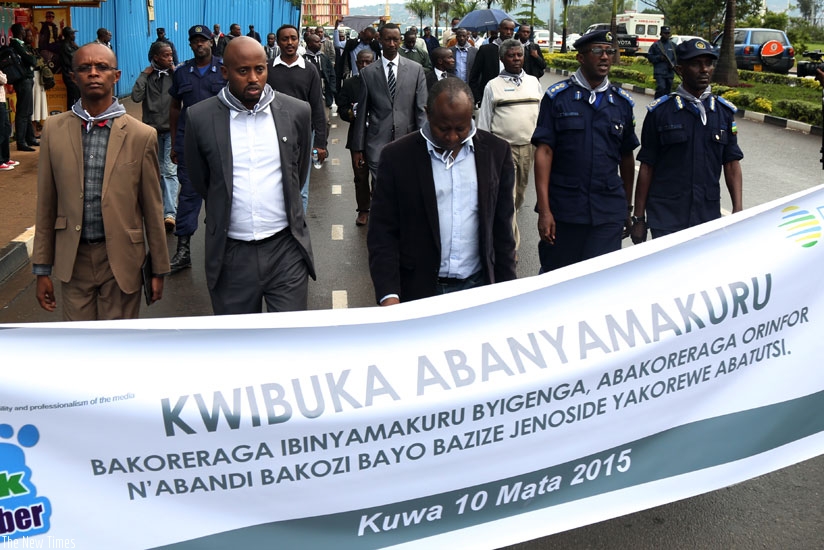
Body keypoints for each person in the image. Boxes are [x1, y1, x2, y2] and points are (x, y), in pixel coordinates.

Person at [32, 43, 170, 321]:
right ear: (74, 77)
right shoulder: (54, 131)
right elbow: (46, 203)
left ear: (116, 76)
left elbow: (153, 209)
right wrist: (41, 269)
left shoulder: (141, 136)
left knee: (118, 346)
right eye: (85, 68)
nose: (93, 73)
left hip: (121, 260)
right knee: (79, 346)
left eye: (102, 68)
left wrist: (158, 269)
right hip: (74, 260)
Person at [184, 37, 315, 315]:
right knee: (238, 346)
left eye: (260, 69)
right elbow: (201, 180)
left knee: (290, 342)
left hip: (286, 250)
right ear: (224, 72)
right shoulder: (200, 117)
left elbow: (298, 171)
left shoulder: (296, 111)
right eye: (243, 71)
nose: (253, 78)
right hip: (231, 255)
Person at [367, 78, 516, 304]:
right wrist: (389, 294)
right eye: (443, 128)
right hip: (419, 291)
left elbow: (502, 230)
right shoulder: (396, 157)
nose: (452, 137)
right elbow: (382, 231)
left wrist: (508, 292)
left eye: (461, 129)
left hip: (478, 289)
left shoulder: (497, 152)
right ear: (427, 113)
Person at [531, 31, 639, 273]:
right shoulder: (557, 98)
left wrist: (626, 207)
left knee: (600, 283)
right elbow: (544, 152)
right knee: (557, 279)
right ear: (580, 57)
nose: (605, 57)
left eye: (609, 51)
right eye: (597, 51)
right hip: (565, 211)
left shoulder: (622, 103)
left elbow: (626, 157)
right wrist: (545, 210)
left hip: (607, 210)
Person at [631, 38, 743, 242]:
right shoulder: (660, 112)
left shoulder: (723, 112)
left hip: (706, 216)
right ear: (680, 69)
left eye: (708, 63)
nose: (704, 70)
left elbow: (731, 163)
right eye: (695, 64)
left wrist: (738, 210)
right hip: (666, 217)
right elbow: (647, 167)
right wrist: (639, 218)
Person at [168, 24, 226, 274]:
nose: (199, 44)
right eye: (195, 41)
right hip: (188, 143)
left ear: (211, 42)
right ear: (190, 45)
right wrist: (174, 142)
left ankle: (222, 250)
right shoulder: (182, 73)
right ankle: (183, 251)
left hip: (219, 143)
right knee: (188, 198)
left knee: (221, 197)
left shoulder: (224, 69)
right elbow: (174, 108)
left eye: (203, 40)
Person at [478, 39, 542, 251]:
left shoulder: (533, 82)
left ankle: (503, 222)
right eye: (511, 56)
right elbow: (484, 122)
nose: (516, 59)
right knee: (508, 195)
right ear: (502, 58)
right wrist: (484, 153)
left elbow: (541, 116)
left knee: (520, 195)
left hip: (529, 148)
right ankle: (510, 248)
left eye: (519, 55)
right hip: (503, 150)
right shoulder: (492, 86)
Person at [352, 23, 428, 196]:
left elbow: (421, 111)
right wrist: (358, 148)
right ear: (380, 40)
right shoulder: (368, 73)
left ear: (400, 40)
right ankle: (383, 221)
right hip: (377, 142)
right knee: (382, 188)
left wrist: (424, 141)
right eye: (388, 40)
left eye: (395, 39)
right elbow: (362, 113)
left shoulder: (416, 70)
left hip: (408, 140)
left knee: (405, 187)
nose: (392, 44)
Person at [267, 24, 328, 212]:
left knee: (301, 186)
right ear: (278, 42)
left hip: (302, 137)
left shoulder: (309, 70)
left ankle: (297, 231)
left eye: (293, 38)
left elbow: (317, 107)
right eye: (284, 39)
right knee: (274, 185)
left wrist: (320, 143)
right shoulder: (268, 68)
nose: (289, 42)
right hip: (272, 135)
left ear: (298, 41)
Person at [132, 41, 179, 232]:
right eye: (166, 56)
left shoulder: (175, 75)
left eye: (171, 55)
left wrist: (178, 75)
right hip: (151, 130)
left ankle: (170, 213)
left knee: (169, 170)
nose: (170, 59)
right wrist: (144, 75)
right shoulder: (148, 76)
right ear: (156, 57)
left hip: (171, 130)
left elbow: (187, 95)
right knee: (156, 171)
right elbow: (135, 97)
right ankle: (158, 210)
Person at [336, 49, 375, 226]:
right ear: (357, 63)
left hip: (379, 136)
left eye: (368, 62)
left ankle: (380, 208)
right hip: (358, 137)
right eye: (361, 62)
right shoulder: (350, 84)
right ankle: (363, 210)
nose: (365, 65)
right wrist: (352, 113)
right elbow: (342, 107)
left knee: (381, 176)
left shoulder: (381, 82)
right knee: (360, 175)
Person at [469, 18, 516, 106]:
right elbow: (474, 77)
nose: (509, 32)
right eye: (506, 29)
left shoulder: (517, 51)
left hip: (511, 98)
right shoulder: (486, 50)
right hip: (489, 98)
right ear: (499, 29)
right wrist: (478, 98)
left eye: (511, 29)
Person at [9, 24, 38, 152]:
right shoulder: (16, 44)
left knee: (28, 111)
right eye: (23, 30)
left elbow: (32, 58)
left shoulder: (21, 44)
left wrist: (32, 58)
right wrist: (31, 59)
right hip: (23, 80)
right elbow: (31, 60)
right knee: (22, 112)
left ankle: (30, 138)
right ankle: (21, 142)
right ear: (20, 32)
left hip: (27, 80)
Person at [304, 32, 337, 131]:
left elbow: (332, 74)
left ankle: (323, 145)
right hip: (308, 97)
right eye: (317, 42)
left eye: (320, 42)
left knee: (325, 122)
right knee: (308, 123)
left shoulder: (324, 58)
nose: (320, 44)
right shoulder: (303, 59)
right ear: (309, 44)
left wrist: (331, 90)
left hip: (323, 95)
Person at [647, 26, 676, 98]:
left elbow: (677, 58)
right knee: (661, 88)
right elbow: (650, 57)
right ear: (661, 33)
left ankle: (665, 107)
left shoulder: (673, 45)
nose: (666, 35)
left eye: (668, 33)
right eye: (665, 33)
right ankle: (656, 104)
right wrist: (659, 58)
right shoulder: (656, 45)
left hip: (669, 73)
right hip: (659, 72)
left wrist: (674, 65)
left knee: (668, 91)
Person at [0, 70, 19, 171]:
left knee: (6, 129)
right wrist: (3, 76)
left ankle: (5, 158)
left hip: (2, 100)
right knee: (1, 131)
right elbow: (3, 79)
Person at [59, 27, 80, 111]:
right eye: (72, 34)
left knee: (75, 96)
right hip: (69, 76)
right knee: (74, 98)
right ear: (69, 35)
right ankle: (71, 115)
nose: (74, 36)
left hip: (72, 75)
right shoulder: (65, 46)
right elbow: (75, 57)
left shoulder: (71, 45)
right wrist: (78, 49)